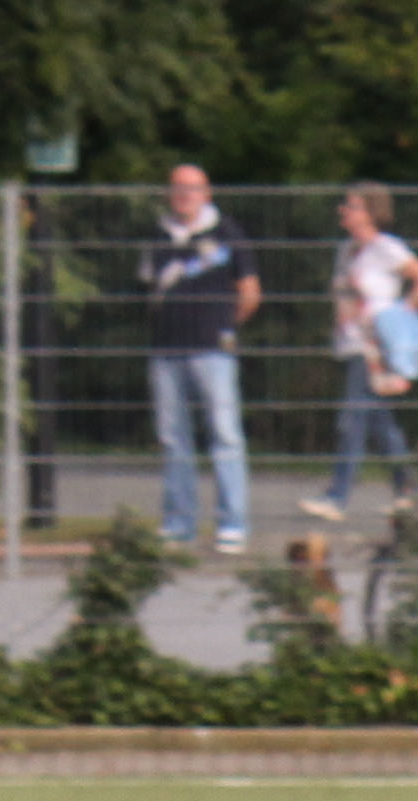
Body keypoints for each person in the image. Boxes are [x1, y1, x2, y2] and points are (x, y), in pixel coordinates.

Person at [139, 164, 255, 555]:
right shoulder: (157, 236)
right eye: (178, 187)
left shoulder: (228, 233)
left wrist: (224, 326)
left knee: (225, 435)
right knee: (173, 438)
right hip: (166, 350)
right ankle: (178, 523)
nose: (185, 195)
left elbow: (250, 291)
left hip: (213, 350)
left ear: (207, 193)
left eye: (193, 188)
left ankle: (232, 524)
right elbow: (148, 289)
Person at [306, 182, 418, 523]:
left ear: (370, 213)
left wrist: (400, 314)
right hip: (351, 343)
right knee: (380, 422)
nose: (343, 210)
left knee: (352, 419)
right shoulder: (346, 251)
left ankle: (337, 496)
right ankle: (407, 489)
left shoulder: (386, 248)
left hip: (373, 347)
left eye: (351, 206)